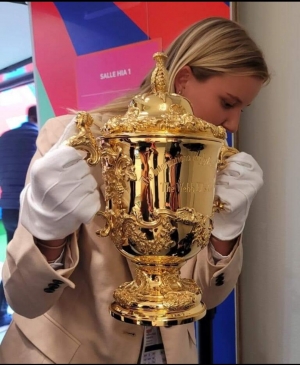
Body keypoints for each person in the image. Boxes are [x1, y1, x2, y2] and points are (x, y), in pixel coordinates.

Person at [0, 17, 270, 364]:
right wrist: (47, 237)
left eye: (241, 109)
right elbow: (25, 300)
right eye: (227, 103)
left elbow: (207, 294)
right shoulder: (75, 144)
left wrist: (226, 237)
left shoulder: (212, 163)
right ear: (184, 80)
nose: (233, 124)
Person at [0, 105, 38, 327]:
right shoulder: (37, 138)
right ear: (36, 117)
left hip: (8, 209)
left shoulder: (5, 139)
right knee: (37, 261)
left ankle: (2, 308)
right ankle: (35, 315)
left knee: (13, 259)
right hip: (29, 208)